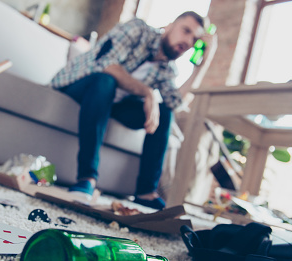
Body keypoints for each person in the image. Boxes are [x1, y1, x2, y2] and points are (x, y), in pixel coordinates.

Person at [51, 11, 215, 210]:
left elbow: (175, 102)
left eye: (194, 39)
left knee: (164, 112)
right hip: (79, 84)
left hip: (112, 104)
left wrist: (202, 65)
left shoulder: (168, 69)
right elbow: (107, 64)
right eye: (186, 31)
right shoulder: (137, 29)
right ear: (169, 26)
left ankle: (146, 192)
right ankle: (87, 179)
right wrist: (147, 93)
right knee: (106, 81)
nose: (188, 40)